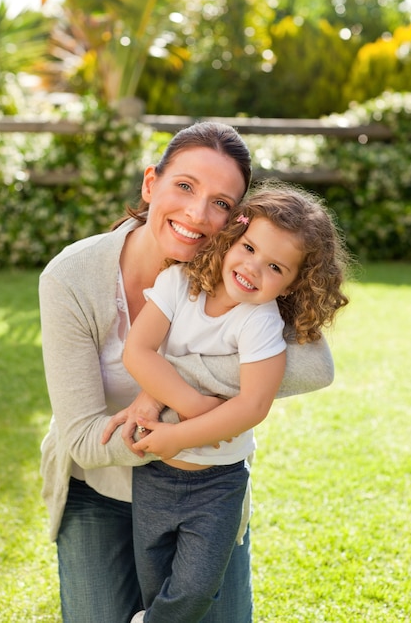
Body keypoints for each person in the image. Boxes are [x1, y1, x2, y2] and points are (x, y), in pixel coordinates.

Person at [39, 121, 335, 623]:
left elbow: (314, 366)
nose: (198, 214)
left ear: (240, 218)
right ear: (151, 184)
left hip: (206, 484)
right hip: (103, 484)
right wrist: (184, 420)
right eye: (184, 187)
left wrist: (161, 393)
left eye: (221, 203)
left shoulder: (248, 274)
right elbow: (88, 441)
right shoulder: (73, 277)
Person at [111, 185, 349, 623]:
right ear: (229, 238)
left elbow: (254, 405)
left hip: (217, 484)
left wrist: (178, 434)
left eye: (275, 267)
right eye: (249, 248)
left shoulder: (260, 320)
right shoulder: (179, 284)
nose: (253, 268)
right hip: (155, 476)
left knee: (195, 589)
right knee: (155, 581)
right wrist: (199, 408)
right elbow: (137, 352)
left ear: (294, 282)